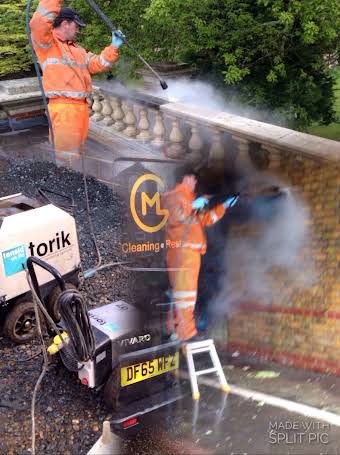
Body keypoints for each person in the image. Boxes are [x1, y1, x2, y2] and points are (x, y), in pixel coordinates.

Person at [30, 1, 124, 166]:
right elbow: (38, 22)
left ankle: (73, 183)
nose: (78, 30)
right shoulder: (47, 44)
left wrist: (113, 47)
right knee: (65, 158)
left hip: (80, 110)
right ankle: (64, 184)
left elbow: (97, 64)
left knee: (75, 154)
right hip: (64, 110)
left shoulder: (77, 50)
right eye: (76, 26)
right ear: (65, 24)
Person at [162, 168, 239, 342]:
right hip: (182, 253)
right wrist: (196, 203)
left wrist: (222, 207)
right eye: (193, 180)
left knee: (184, 294)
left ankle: (175, 329)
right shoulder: (174, 196)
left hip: (190, 254)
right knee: (186, 295)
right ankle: (186, 333)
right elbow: (177, 217)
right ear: (186, 178)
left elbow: (205, 219)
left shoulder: (189, 200)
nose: (195, 184)